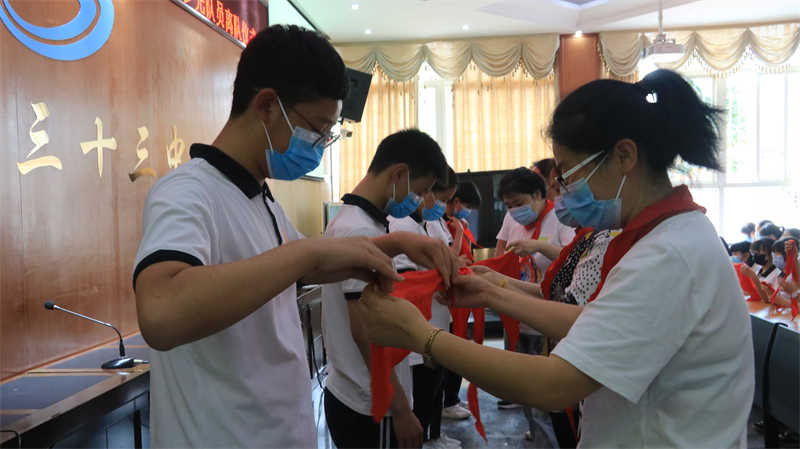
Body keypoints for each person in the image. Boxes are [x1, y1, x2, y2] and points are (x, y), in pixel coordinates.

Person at [358, 69, 754, 448]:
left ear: (624, 155)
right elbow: (594, 322)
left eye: (568, 174)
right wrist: (493, 292)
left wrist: (421, 335)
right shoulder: (663, 239)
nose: (563, 189)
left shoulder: (668, 256)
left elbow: (553, 385)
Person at [132, 26, 457, 448]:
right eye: (318, 129)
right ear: (268, 106)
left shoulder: (261, 199)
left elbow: (314, 262)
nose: (320, 145)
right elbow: (160, 312)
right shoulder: (187, 191)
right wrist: (306, 254)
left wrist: (396, 244)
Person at [322, 129, 458, 449]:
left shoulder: (367, 223)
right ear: (398, 174)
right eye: (420, 191)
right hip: (371, 402)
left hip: (366, 393)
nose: (420, 200)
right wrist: (399, 408)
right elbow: (364, 331)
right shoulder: (357, 228)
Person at [491, 167, 573, 443]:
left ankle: (556, 436)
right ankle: (538, 433)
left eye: (519, 203)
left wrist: (539, 247)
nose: (514, 211)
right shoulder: (511, 219)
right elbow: (500, 255)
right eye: (508, 205)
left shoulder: (560, 218)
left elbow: (572, 258)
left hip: (549, 316)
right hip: (517, 312)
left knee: (552, 390)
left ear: (538, 195)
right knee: (524, 386)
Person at [389, 179, 463, 449]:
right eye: (440, 198)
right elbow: (406, 280)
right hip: (420, 324)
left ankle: (434, 435)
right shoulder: (401, 227)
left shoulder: (426, 223)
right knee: (422, 391)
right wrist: (442, 276)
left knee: (436, 385)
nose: (442, 205)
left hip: (438, 316)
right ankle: (425, 438)